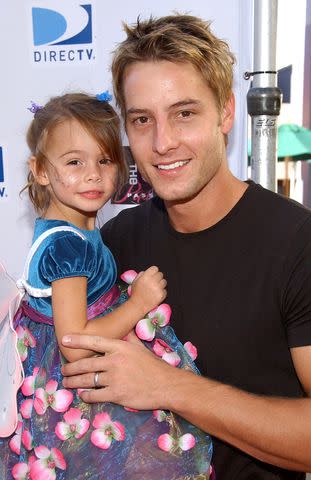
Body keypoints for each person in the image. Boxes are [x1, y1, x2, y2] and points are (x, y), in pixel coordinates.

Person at [61, 14, 311, 480]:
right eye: (142, 120)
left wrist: (169, 386)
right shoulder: (113, 243)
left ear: (227, 112)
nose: (162, 142)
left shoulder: (297, 243)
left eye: (184, 113)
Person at [0, 93, 213, 479]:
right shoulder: (66, 247)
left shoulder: (75, 228)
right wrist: (138, 302)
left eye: (104, 160)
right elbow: (75, 346)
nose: (94, 174)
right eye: (75, 162)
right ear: (41, 170)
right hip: (83, 391)